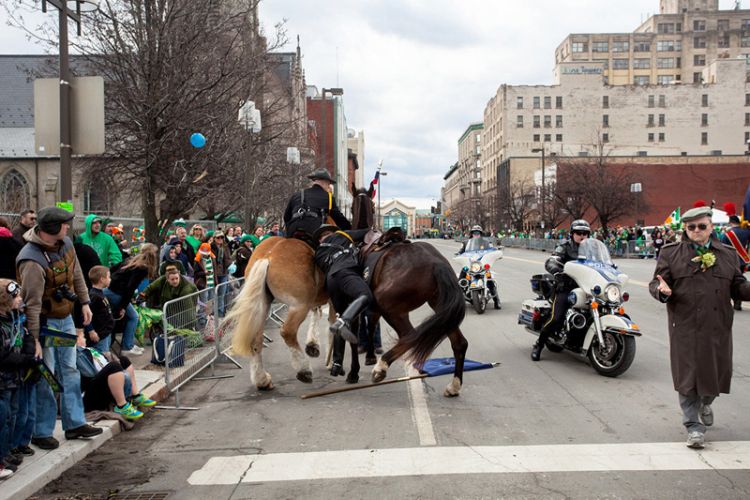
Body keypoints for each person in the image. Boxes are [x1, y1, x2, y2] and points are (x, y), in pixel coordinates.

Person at [649, 205, 750, 449]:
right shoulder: (670, 253)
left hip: (717, 326)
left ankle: (706, 402)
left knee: (715, 373)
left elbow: (737, 286)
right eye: (691, 227)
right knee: (688, 376)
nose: (696, 230)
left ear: (711, 227)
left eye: (701, 226)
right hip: (685, 324)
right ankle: (693, 425)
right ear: (685, 228)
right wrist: (661, 291)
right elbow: (657, 282)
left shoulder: (727, 253)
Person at [16, 207, 103, 449]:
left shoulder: (66, 244)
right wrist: (33, 341)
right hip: (44, 325)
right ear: (52, 228)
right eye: (65, 224)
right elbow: (31, 305)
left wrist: (84, 303)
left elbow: (77, 276)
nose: (68, 228)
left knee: (71, 370)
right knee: (48, 375)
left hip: (64, 319)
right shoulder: (31, 259)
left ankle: (74, 423)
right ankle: (41, 430)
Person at [531, 219, 591, 362]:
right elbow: (551, 261)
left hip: (587, 287)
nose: (582, 236)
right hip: (567, 287)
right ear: (572, 234)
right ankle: (539, 344)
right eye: (578, 233)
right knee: (556, 318)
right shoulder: (564, 246)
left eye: (585, 233)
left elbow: (603, 263)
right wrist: (557, 272)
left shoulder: (592, 249)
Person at [313, 224, 372, 349]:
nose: (327, 236)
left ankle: (337, 365)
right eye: (325, 234)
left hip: (331, 282)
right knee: (365, 295)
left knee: (340, 315)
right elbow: (367, 231)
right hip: (345, 272)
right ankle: (343, 321)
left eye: (327, 233)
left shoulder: (318, 252)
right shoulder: (342, 234)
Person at [0, 279, 37, 478]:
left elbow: (26, 336)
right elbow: (2, 355)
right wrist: (24, 360)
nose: (21, 299)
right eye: (17, 296)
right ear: (5, 299)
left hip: (14, 377)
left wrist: (29, 352)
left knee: (11, 415)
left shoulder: (15, 317)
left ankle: (6, 453)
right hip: (3, 379)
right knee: (3, 419)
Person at [106, 243, 159, 356]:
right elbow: (130, 288)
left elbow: (112, 270)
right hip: (117, 293)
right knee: (134, 317)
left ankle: (128, 344)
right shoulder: (142, 268)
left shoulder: (130, 260)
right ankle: (127, 346)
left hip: (110, 290)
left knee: (130, 317)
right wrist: (122, 307)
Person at [75, 347, 155, 419]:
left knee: (123, 360)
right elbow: (90, 374)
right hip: (86, 398)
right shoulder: (77, 353)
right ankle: (121, 406)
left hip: (99, 386)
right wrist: (81, 348)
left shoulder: (88, 349)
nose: (83, 337)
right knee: (114, 366)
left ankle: (135, 396)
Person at [283, 169, 351, 243]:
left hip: (293, 229)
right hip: (312, 229)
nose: (328, 187)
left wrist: (288, 232)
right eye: (329, 184)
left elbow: (286, 217)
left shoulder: (297, 194)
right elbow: (338, 218)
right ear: (326, 182)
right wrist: (349, 228)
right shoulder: (328, 197)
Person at [456, 225, 501, 309]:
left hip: (482, 264)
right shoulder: (466, 243)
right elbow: (460, 251)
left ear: (481, 234)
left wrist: (496, 251)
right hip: (470, 264)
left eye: (478, 233)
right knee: (461, 280)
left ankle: (496, 301)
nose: (476, 234)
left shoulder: (486, 242)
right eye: (474, 233)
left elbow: (492, 249)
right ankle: (457, 300)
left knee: (489, 280)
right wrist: (458, 254)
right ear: (471, 234)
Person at [719, 203, 750, 311]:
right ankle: (738, 302)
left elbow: (722, 248)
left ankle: (729, 301)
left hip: (729, 261)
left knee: (728, 281)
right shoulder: (747, 232)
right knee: (739, 281)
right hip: (743, 261)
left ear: (731, 222)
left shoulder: (726, 234)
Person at [85, 266, 116, 354]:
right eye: (108, 277)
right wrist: (91, 331)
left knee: (105, 355)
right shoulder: (94, 296)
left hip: (105, 333)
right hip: (99, 336)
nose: (110, 279)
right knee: (101, 359)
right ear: (102, 279)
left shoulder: (100, 293)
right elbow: (86, 316)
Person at [211, 233, 233, 316]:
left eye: (222, 237)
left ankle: (220, 314)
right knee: (212, 296)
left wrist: (230, 265)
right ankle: (212, 315)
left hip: (223, 274)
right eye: (218, 237)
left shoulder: (225, 247)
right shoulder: (210, 247)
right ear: (214, 238)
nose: (220, 239)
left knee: (221, 295)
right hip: (213, 275)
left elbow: (228, 259)